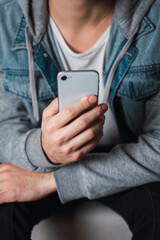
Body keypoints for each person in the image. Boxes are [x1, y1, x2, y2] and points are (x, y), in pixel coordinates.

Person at [0, 0, 160, 239]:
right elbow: (6, 126)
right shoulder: (8, 16)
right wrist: (44, 150)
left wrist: (51, 182)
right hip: (44, 163)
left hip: (128, 160)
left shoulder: (154, 16)